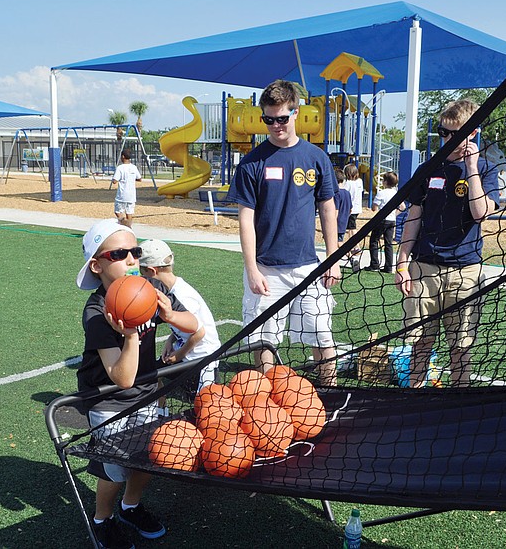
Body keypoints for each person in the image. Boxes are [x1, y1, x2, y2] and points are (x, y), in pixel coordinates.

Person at [75, 219, 198, 548]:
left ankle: (130, 507)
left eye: (136, 251)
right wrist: (130, 335)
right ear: (97, 265)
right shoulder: (97, 312)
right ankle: (102, 519)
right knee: (114, 468)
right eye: (120, 253)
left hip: (146, 393)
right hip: (109, 401)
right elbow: (122, 376)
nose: (132, 259)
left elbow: (194, 325)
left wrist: (171, 316)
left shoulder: (149, 291)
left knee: (147, 456)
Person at [228, 79, 341, 387]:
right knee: (263, 341)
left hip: (308, 267)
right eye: (269, 119)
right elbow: (245, 219)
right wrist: (251, 269)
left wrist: (333, 258)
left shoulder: (316, 158)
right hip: (266, 269)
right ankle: (269, 404)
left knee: (321, 335)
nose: (276, 125)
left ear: (296, 112)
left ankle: (329, 395)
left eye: (281, 117)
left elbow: (328, 209)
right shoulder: (252, 163)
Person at [394, 99, 499, 388]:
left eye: (457, 132)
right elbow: (413, 217)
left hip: (465, 270)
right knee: (420, 342)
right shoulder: (428, 168)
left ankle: (458, 401)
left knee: (460, 346)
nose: (449, 139)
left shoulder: (487, 169)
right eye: (444, 132)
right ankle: (415, 397)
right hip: (424, 267)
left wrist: (472, 167)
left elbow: (480, 213)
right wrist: (402, 263)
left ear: (474, 132)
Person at [138, 238, 222, 392]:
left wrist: (178, 355)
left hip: (202, 359)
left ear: (151, 271)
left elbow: (199, 332)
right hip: (185, 351)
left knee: (204, 404)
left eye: (142, 272)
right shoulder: (169, 291)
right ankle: (161, 413)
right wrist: (170, 342)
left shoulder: (182, 296)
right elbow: (180, 325)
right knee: (151, 375)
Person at [365, 170, 405, 273]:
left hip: (382, 220)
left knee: (374, 241)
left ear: (385, 182)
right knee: (389, 243)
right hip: (392, 220)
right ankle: (388, 267)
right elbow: (403, 207)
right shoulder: (396, 193)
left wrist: (376, 207)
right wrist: (394, 214)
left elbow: (374, 208)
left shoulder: (381, 193)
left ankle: (374, 264)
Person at [109, 149, 142, 227]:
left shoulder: (120, 168)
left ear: (123, 157)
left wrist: (113, 178)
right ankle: (129, 226)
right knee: (129, 212)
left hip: (122, 195)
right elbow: (139, 178)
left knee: (117, 211)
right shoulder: (134, 167)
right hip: (131, 195)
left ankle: (123, 223)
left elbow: (115, 181)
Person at [333, 168, 354, 270]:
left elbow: (335, 210)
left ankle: (351, 257)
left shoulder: (336, 194)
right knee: (337, 242)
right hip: (344, 221)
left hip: (336, 222)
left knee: (338, 243)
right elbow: (350, 209)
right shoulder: (347, 193)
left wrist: (332, 222)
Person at [344, 163, 364, 250]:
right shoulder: (359, 181)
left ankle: (356, 245)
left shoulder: (347, 183)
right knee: (350, 227)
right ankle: (351, 245)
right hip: (357, 206)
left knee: (352, 228)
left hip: (350, 208)